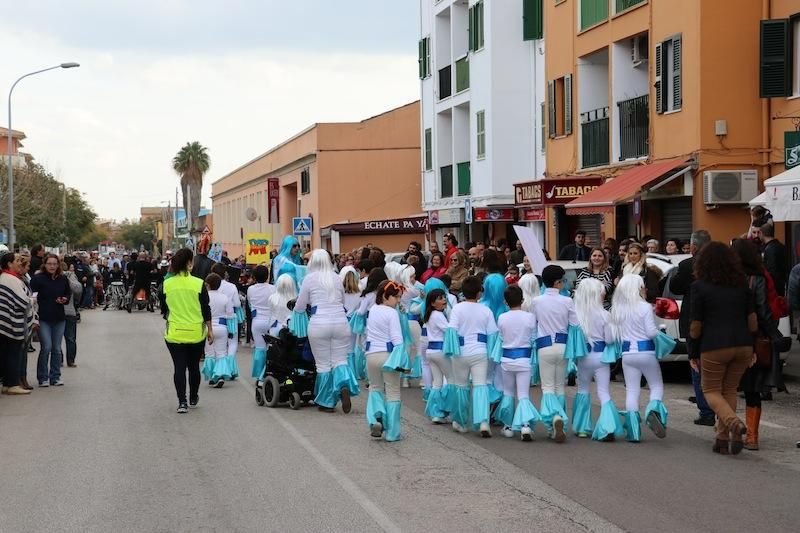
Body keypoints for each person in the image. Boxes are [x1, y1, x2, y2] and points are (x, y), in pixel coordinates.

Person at [689, 242, 757, 455]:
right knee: (729, 390)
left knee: (710, 390)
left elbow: (695, 326)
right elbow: (752, 321)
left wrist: (692, 352)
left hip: (714, 345)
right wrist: (753, 347)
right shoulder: (742, 286)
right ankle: (721, 437)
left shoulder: (699, 287)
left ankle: (733, 423)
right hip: (743, 344)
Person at [292, 249, 360, 413]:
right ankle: (343, 383)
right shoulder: (336, 278)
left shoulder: (309, 279)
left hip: (319, 322)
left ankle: (326, 402)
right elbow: (342, 300)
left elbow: (300, 306)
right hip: (340, 322)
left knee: (323, 364)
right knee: (340, 360)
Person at [731, 238, 783, 451]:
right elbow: (762, 309)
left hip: (727, 337)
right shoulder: (757, 278)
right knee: (753, 388)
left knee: (727, 387)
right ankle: (752, 436)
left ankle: (727, 428)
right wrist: (773, 334)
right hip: (752, 337)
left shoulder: (726, 277)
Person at [612, 275, 666, 442]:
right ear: (637, 288)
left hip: (627, 354)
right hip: (646, 351)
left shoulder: (618, 309)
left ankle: (634, 431)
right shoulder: (644, 307)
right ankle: (652, 409)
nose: (645, 288)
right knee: (656, 385)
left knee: (632, 390)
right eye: (642, 286)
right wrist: (660, 332)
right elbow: (650, 332)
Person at [444, 275, 498, 437]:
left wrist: (452, 350)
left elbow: (451, 330)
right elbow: (493, 333)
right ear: (479, 293)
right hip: (480, 351)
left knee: (461, 386)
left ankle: (460, 421)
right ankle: (483, 421)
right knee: (480, 385)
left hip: (460, 351)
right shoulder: (486, 310)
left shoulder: (458, 308)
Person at [670, 229, 715, 426]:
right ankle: (719, 407)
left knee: (696, 364)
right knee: (716, 369)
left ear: (694, 247)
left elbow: (675, 287)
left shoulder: (688, 265)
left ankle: (706, 412)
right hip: (717, 322)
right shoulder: (722, 265)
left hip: (693, 322)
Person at [160, 248, 213, 413]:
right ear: (189, 263)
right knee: (194, 367)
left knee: (179, 368)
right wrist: (210, 330)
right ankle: (193, 396)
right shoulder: (199, 283)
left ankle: (182, 402)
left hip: (175, 333)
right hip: (196, 333)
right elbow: (206, 309)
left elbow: (164, 309)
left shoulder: (166, 284)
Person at [572, 278, 623, 441]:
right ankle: (608, 427)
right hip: (601, 357)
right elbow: (609, 340)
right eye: (602, 293)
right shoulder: (605, 315)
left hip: (583, 358)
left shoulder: (577, 316)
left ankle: (581, 427)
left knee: (583, 389)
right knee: (603, 391)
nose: (604, 295)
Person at [532, 265, 577, 442]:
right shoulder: (567, 301)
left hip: (544, 346)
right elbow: (575, 325)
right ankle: (561, 421)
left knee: (547, 387)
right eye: (563, 280)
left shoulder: (537, 301)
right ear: (557, 282)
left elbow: (532, 324)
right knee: (559, 386)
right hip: (563, 345)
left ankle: (553, 421)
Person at [495, 285, 541, 441]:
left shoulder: (502, 317)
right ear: (522, 300)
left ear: (506, 302)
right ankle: (525, 425)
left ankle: (507, 426)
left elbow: (500, 337)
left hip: (506, 359)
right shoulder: (529, 317)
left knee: (508, 392)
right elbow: (534, 337)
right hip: (524, 359)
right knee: (523, 394)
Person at [364, 280, 408, 441]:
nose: (398, 301)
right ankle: (392, 433)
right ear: (385, 296)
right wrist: (403, 362)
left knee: (375, 388)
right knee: (393, 392)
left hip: (371, 355)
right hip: (388, 355)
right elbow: (397, 340)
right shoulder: (392, 313)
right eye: (396, 297)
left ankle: (376, 419)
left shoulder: (373, 309)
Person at [30, 254, 72, 387]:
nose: (52, 266)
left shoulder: (63, 279)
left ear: (58, 265)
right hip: (43, 318)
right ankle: (43, 377)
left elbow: (68, 293)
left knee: (57, 348)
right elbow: (32, 295)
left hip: (59, 318)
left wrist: (64, 299)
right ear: (45, 264)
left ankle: (55, 376)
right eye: (50, 264)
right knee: (46, 347)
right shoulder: (38, 279)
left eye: (55, 264)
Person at [0, 252, 35, 395]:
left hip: (8, 323)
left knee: (9, 354)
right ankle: (12, 384)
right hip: (11, 325)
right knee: (13, 354)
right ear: (9, 264)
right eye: (16, 260)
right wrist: (32, 300)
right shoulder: (9, 279)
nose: (19, 262)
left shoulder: (8, 277)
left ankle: (8, 383)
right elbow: (22, 301)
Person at [422, 288, 452, 424]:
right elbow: (449, 330)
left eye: (444, 297)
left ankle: (436, 413)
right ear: (433, 303)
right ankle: (449, 410)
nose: (444, 300)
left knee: (437, 382)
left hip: (431, 351)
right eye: (440, 298)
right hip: (440, 351)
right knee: (451, 380)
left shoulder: (429, 315)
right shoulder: (438, 315)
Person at [202, 273, 235, 388]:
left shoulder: (204, 296)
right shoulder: (224, 297)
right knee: (221, 352)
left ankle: (212, 376)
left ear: (207, 284)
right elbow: (230, 315)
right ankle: (220, 375)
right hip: (222, 327)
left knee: (209, 353)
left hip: (208, 327)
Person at [211, 263, 243, 373]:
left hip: (216, 318)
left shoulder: (211, 286)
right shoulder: (232, 286)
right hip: (231, 318)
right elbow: (238, 304)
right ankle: (230, 366)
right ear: (225, 273)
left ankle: (219, 368)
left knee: (218, 347)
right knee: (232, 342)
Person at [247, 265, 275, 385]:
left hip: (257, 321)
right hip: (271, 320)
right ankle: (269, 373)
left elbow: (250, 304)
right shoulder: (273, 288)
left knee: (259, 348)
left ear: (254, 277)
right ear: (267, 276)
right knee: (271, 348)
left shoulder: (250, 289)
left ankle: (260, 376)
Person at [63, 261, 83, 368]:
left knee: (70, 338)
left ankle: (70, 360)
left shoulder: (69, 276)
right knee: (55, 341)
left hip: (69, 311)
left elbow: (78, 289)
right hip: (54, 312)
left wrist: (68, 280)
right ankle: (59, 359)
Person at [760, 222, 787, 296]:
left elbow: (772, 270)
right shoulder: (781, 246)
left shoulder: (769, 249)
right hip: (782, 284)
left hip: (774, 288)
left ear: (761, 233)